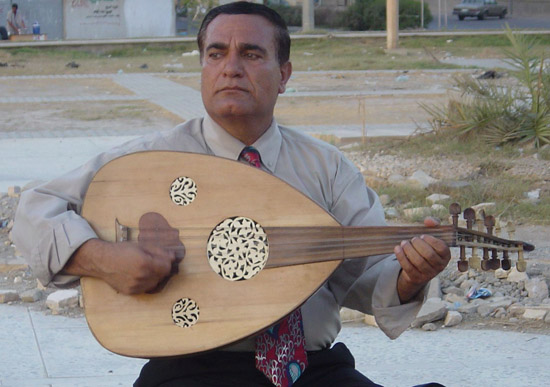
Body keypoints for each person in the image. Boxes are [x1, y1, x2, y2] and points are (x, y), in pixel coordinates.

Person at [12, 2, 450, 386]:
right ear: (202, 67)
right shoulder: (148, 161)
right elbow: (34, 210)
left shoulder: (327, 168)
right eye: (216, 53)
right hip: (190, 368)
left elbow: (367, 275)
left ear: (284, 75)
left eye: (252, 54)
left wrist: (410, 276)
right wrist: (103, 259)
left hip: (312, 370)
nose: (231, 67)